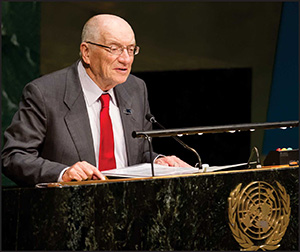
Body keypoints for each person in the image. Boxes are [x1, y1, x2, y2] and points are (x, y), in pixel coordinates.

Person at [2, 14, 191, 187]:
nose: (126, 59)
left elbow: (136, 155)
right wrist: (63, 173)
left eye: (131, 49)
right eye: (114, 48)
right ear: (86, 52)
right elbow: (14, 157)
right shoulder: (44, 93)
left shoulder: (136, 88)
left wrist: (157, 161)